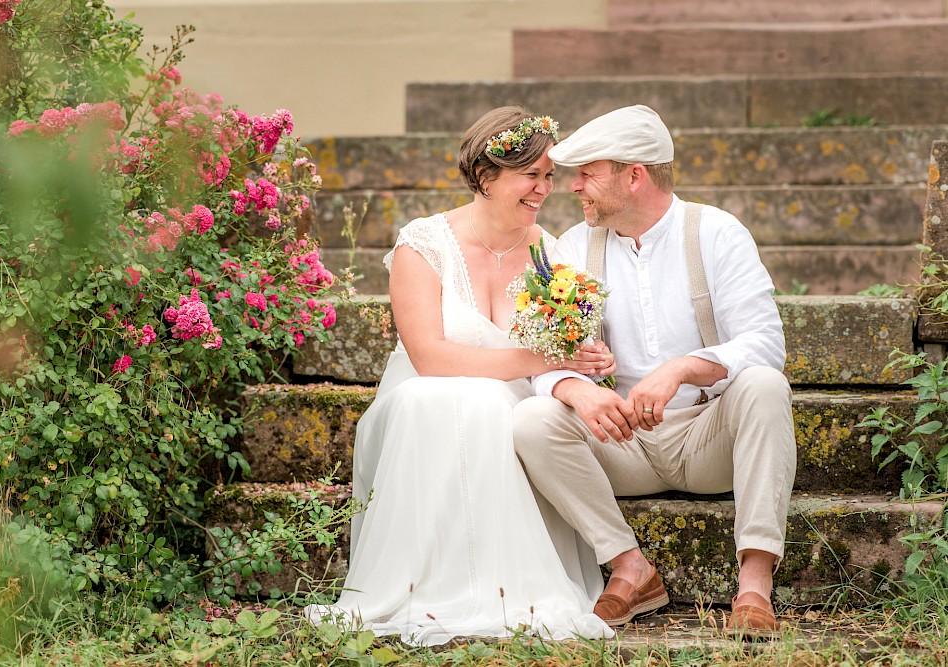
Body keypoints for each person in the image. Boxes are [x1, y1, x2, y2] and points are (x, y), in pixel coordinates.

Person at [307, 107, 615, 645]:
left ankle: (510, 582)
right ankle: (421, 583)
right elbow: (429, 356)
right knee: (447, 400)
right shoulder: (423, 245)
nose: (544, 189)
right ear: (486, 175)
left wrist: (585, 358)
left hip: (515, 411)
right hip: (424, 407)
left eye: (549, 176)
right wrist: (548, 360)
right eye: (532, 175)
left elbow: (571, 347)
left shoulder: (551, 252)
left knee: (497, 407)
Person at [512, 104, 797, 637]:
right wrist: (578, 390)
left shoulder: (716, 232)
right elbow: (546, 358)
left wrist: (684, 369)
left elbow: (766, 344)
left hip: (710, 437)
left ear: (634, 175)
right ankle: (629, 566)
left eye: (588, 174)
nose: (574, 188)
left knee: (764, 384)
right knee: (532, 419)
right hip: (624, 442)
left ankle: (755, 584)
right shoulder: (573, 246)